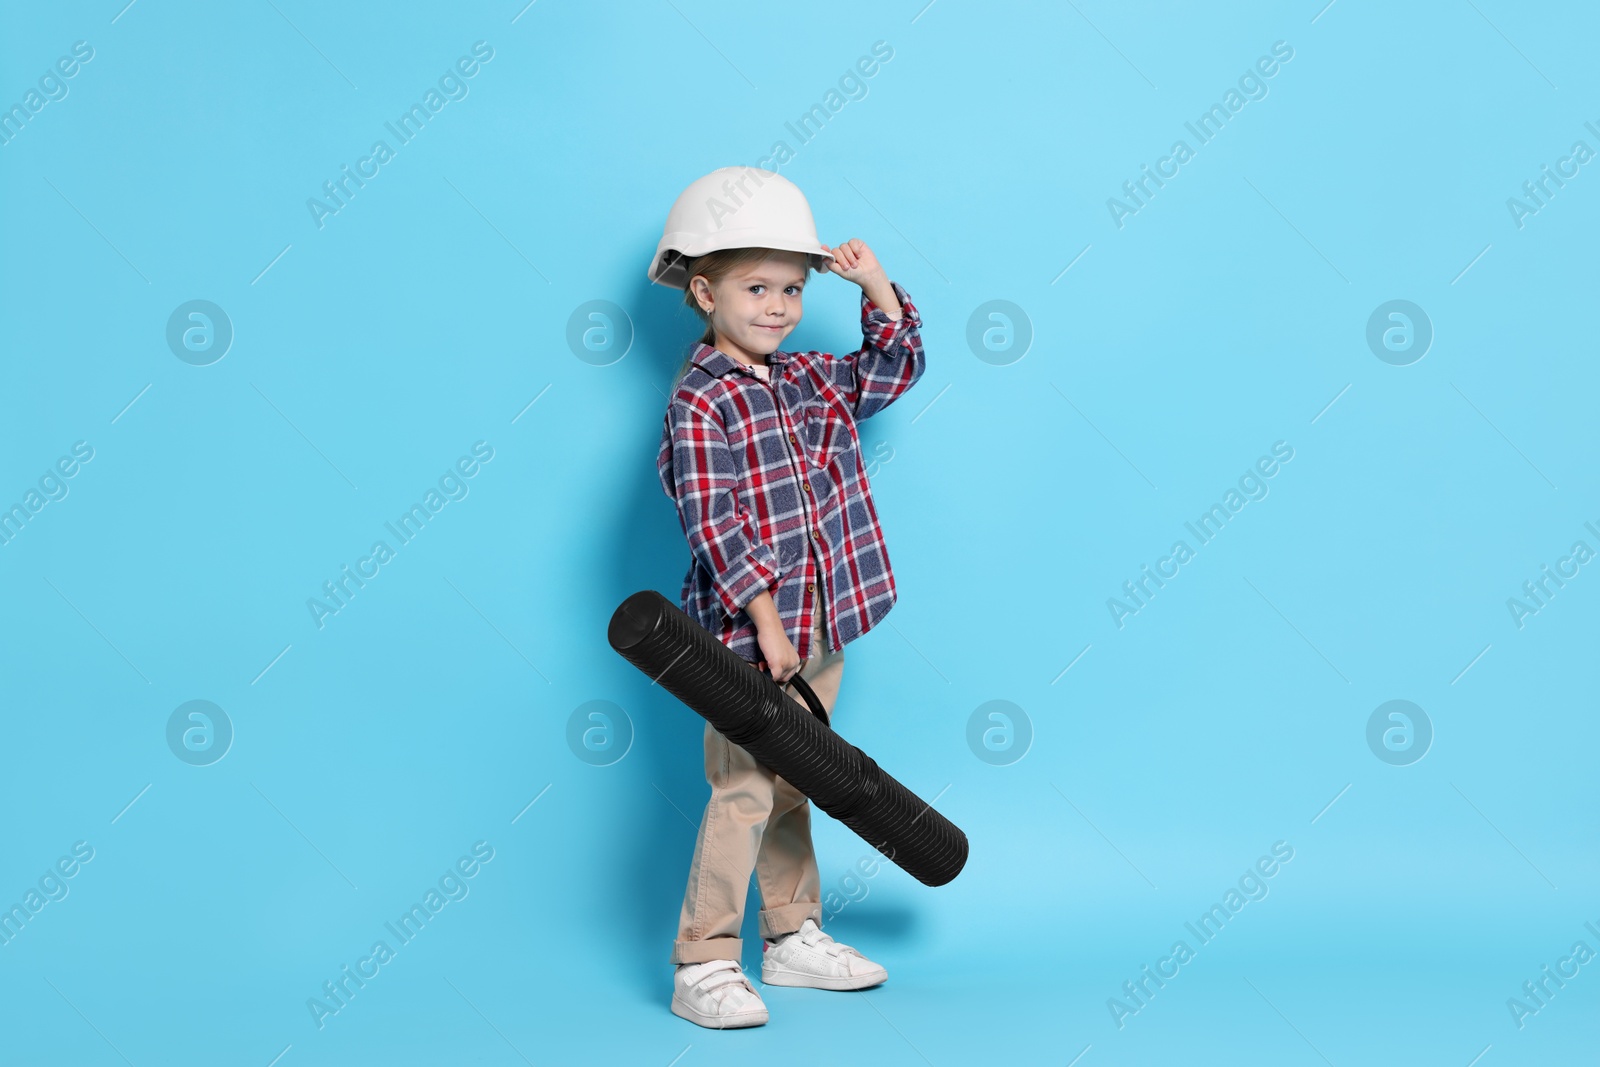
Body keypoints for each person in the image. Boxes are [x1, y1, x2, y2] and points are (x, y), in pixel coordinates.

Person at [651, 167, 926, 1029]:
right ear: (704, 290)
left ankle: (792, 933)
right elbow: (714, 519)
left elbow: (892, 369)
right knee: (742, 787)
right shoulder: (701, 399)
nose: (777, 305)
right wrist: (764, 622)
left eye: (793, 289)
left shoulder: (808, 378)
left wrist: (874, 285)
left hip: (823, 623)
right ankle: (702, 959)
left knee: (795, 779)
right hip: (747, 636)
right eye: (756, 286)